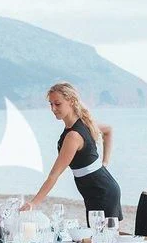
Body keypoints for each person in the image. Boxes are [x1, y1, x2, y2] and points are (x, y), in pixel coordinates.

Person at [21, 82, 122, 225]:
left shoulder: (73, 136)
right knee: (99, 240)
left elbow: (54, 174)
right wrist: (104, 163)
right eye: (51, 104)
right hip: (95, 191)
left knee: (105, 241)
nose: (53, 109)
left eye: (57, 104)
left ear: (72, 102)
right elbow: (108, 131)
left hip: (102, 192)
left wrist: (34, 203)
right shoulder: (82, 125)